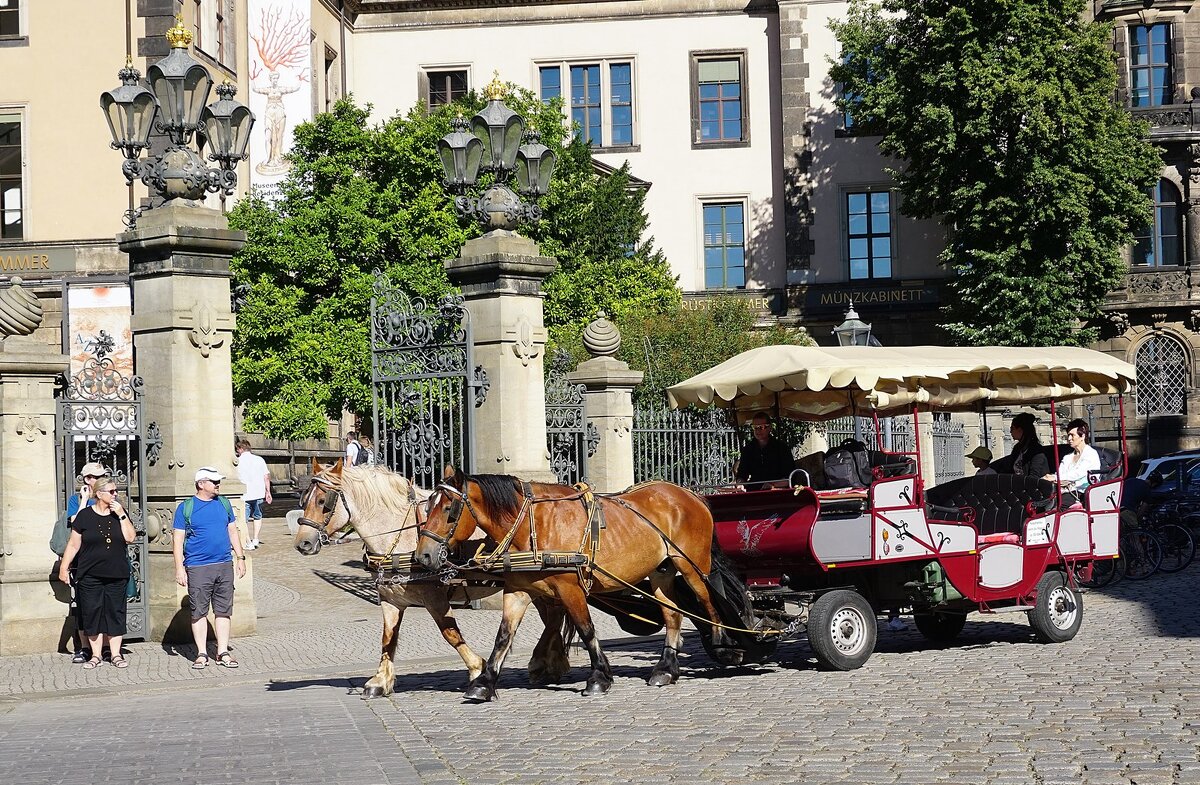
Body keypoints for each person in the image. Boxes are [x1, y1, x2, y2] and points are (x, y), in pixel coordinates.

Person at [57, 476, 136, 669]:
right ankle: (96, 655)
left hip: (116, 573)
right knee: (92, 613)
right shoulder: (85, 516)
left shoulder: (119, 513)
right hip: (89, 574)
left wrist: (122, 515)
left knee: (115, 613)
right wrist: (64, 567)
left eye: (116, 491)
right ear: (99, 494)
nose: (115, 494)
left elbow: (130, 538)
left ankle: (116, 655)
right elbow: (74, 544)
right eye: (111, 491)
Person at [173, 467, 246, 669]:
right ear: (201, 484)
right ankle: (202, 653)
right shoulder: (186, 508)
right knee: (199, 612)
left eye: (218, 481)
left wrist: (240, 558)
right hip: (198, 566)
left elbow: (232, 531)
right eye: (214, 481)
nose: (218, 484)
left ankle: (222, 651)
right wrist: (179, 568)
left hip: (224, 564)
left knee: (223, 610)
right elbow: (177, 540)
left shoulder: (224, 504)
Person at [64, 461, 107, 664]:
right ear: (87, 479)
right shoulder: (76, 500)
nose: (100, 481)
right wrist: (84, 501)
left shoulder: (109, 496)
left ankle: (106, 647)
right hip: (83, 561)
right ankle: (83, 647)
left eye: (102, 477)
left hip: (106, 560)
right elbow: (75, 521)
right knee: (84, 606)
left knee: (106, 605)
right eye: (96, 477)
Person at [734, 412, 795, 490]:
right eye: (755, 427)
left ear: (770, 428)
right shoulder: (748, 450)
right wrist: (740, 485)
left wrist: (772, 485)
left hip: (778, 492)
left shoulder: (782, 448)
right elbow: (742, 475)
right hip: (754, 492)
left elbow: (790, 477)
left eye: (761, 427)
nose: (758, 430)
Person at [1045, 418, 1101, 497]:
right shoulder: (1067, 457)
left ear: (1082, 436)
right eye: (1068, 435)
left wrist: (1055, 477)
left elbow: (1078, 473)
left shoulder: (1091, 454)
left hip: (1082, 493)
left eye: (1072, 435)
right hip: (1064, 491)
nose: (1069, 439)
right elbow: (1061, 473)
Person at [235, 438, 272, 551]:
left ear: (241, 449)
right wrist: (268, 491)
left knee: (243, 520)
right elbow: (266, 476)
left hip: (244, 494)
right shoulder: (259, 460)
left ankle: (247, 541)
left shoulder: (237, 461)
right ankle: (255, 538)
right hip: (258, 492)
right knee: (257, 516)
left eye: (237, 449)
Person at [992, 412, 1050, 480]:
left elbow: (1034, 476)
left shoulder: (1036, 451)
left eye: (1012, 428)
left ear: (1020, 430)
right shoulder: (1017, 449)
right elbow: (1008, 468)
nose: (1010, 431)